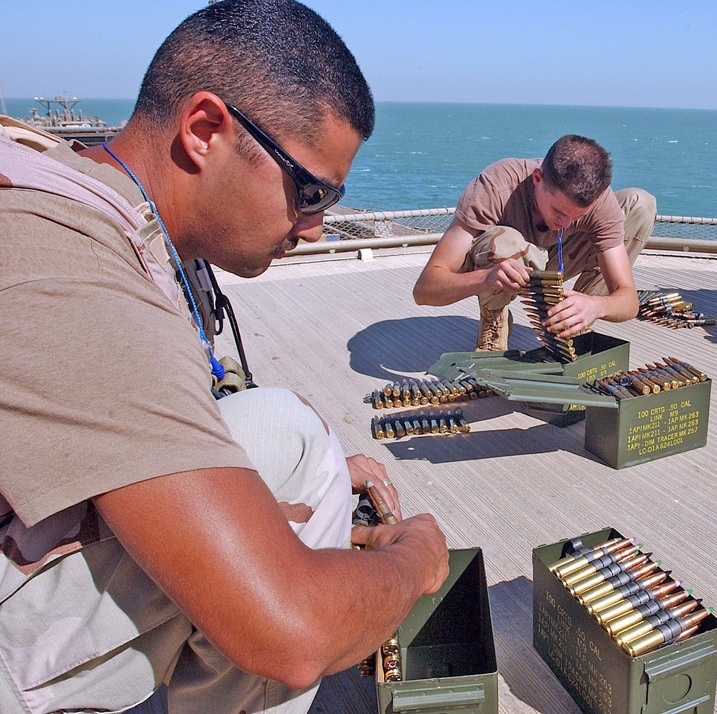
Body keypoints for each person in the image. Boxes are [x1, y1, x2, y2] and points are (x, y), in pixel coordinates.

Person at [0, 2, 449, 713]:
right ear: (205, 131)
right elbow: (292, 633)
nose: (315, 229)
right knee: (292, 447)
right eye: (309, 193)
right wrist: (415, 562)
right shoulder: (74, 267)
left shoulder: (120, 220)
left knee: (303, 443)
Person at [412, 135, 656, 350]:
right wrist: (485, 279)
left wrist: (596, 305)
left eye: (578, 217)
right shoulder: (495, 187)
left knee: (642, 203)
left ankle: (572, 319)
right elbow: (425, 289)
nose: (566, 224)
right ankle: (494, 318)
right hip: (504, 268)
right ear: (537, 178)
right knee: (507, 242)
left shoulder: (601, 203)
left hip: (556, 262)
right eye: (559, 211)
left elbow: (629, 301)